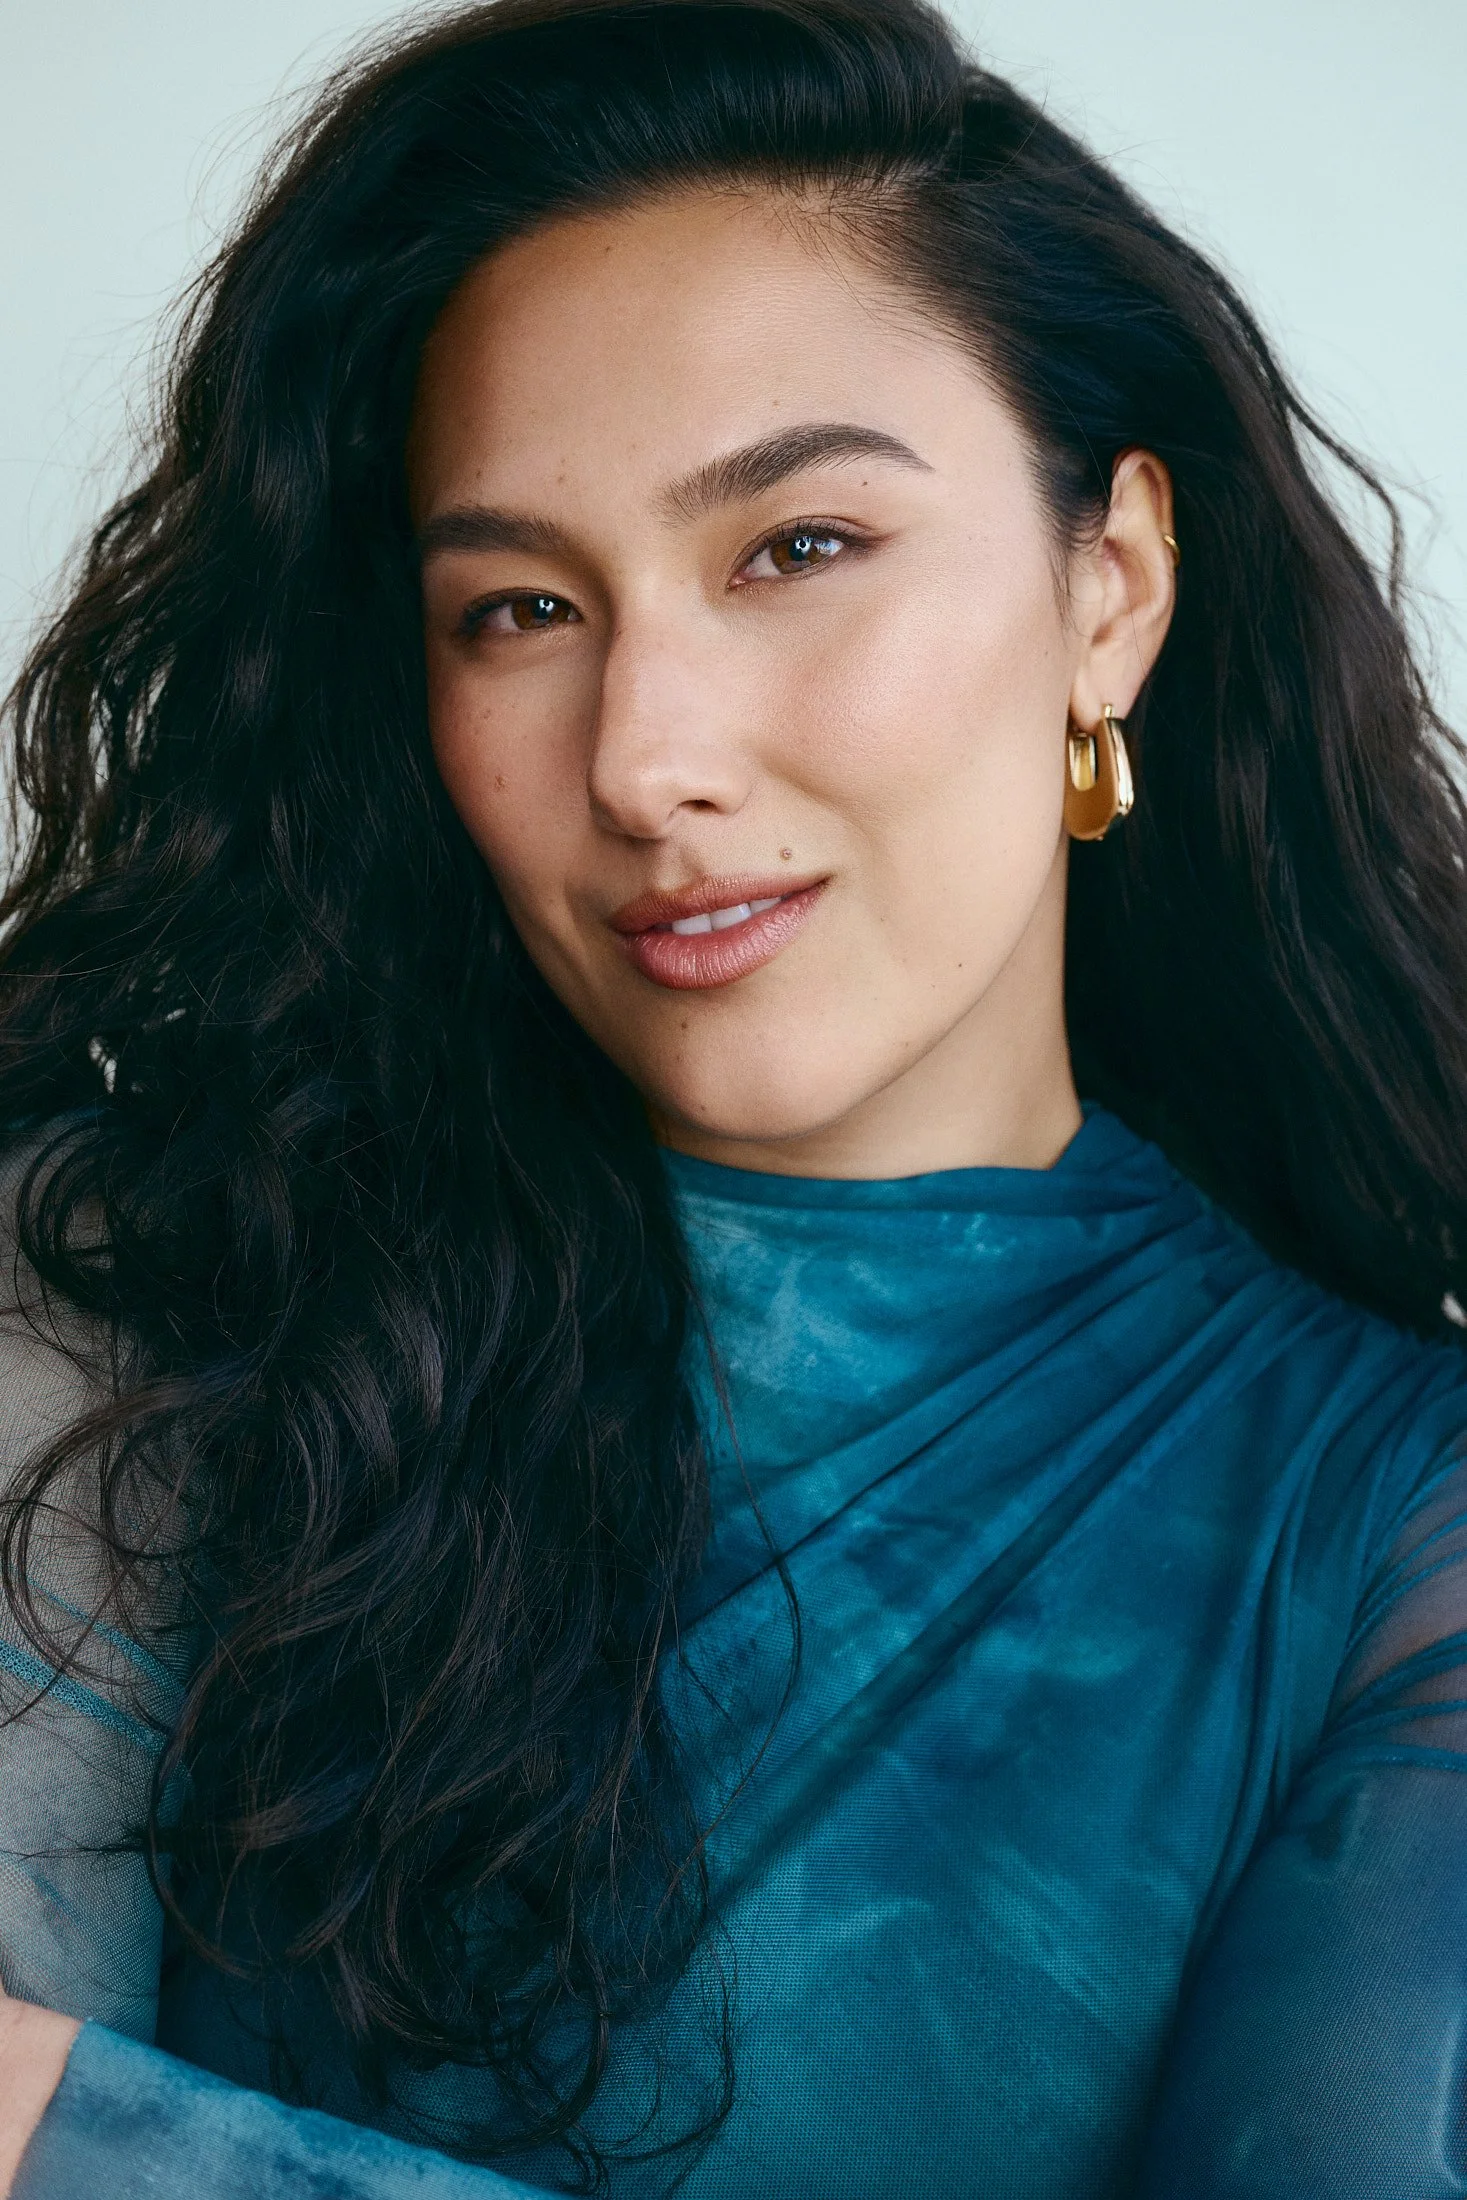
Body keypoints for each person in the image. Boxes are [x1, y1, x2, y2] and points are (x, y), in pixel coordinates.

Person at [2, 0, 1467, 2191]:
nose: (640, 753)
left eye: (794, 548)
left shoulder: (1391, 1536)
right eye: (515, 607)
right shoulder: (136, 1314)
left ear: (1112, 590)